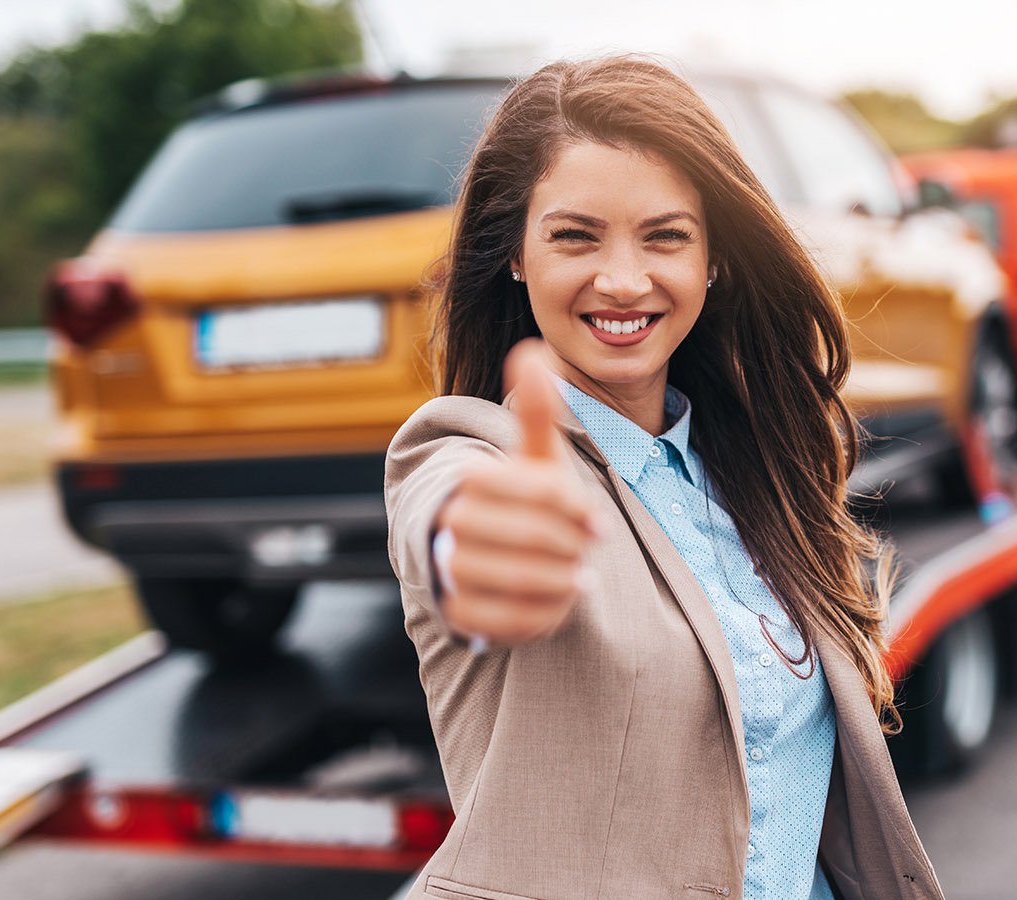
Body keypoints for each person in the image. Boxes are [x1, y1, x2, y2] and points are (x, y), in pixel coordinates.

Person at [385, 55, 944, 900]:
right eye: (575, 236)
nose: (622, 279)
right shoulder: (473, 455)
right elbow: (450, 517)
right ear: (515, 256)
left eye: (665, 236)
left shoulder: (755, 475)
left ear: (713, 260)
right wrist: (482, 545)